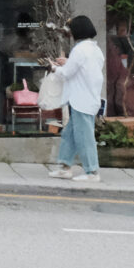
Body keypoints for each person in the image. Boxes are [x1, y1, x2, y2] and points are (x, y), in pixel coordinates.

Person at [46, 14, 105, 183]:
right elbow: (83, 69)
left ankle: (92, 171)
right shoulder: (95, 50)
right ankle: (64, 166)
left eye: (70, 30)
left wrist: (53, 68)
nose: (69, 33)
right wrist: (68, 62)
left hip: (80, 99)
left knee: (84, 137)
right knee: (69, 134)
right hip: (89, 98)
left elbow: (67, 74)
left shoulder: (79, 50)